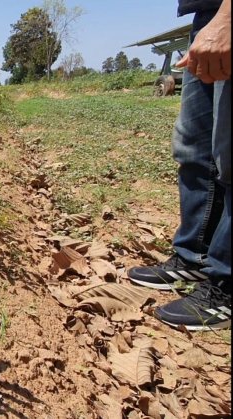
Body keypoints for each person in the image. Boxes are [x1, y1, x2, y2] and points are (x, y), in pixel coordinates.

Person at [128, 0, 230, 331]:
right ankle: (193, 256)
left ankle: (226, 283)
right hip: (206, 16)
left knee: (229, 154)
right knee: (194, 146)